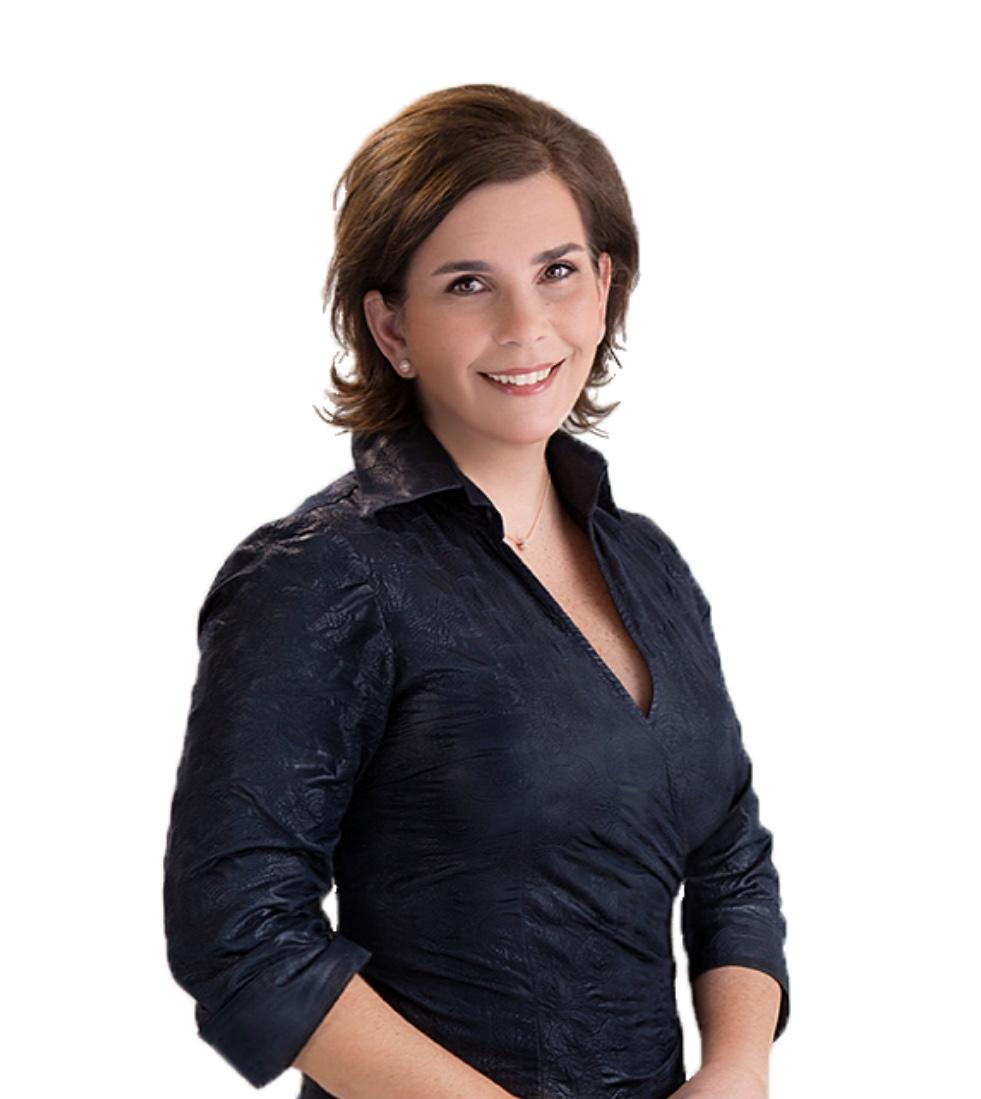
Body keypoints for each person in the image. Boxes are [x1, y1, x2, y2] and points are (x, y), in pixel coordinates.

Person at [163, 83, 791, 1099]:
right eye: (466, 283)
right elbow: (241, 933)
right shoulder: (321, 574)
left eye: (556, 271)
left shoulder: (649, 564)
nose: (525, 324)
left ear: (604, 286)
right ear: (391, 326)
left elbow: (728, 853)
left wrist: (735, 1066)